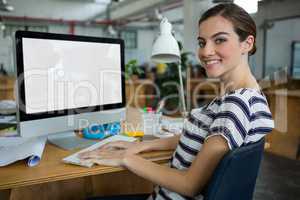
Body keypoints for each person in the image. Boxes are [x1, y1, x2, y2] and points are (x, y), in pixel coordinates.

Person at [79, 3, 274, 200]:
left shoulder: (237, 105)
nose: (206, 52)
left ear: (247, 43)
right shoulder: (250, 97)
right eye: (201, 42)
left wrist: (126, 159)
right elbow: (200, 136)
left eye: (220, 40)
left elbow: (189, 185)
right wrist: (143, 146)